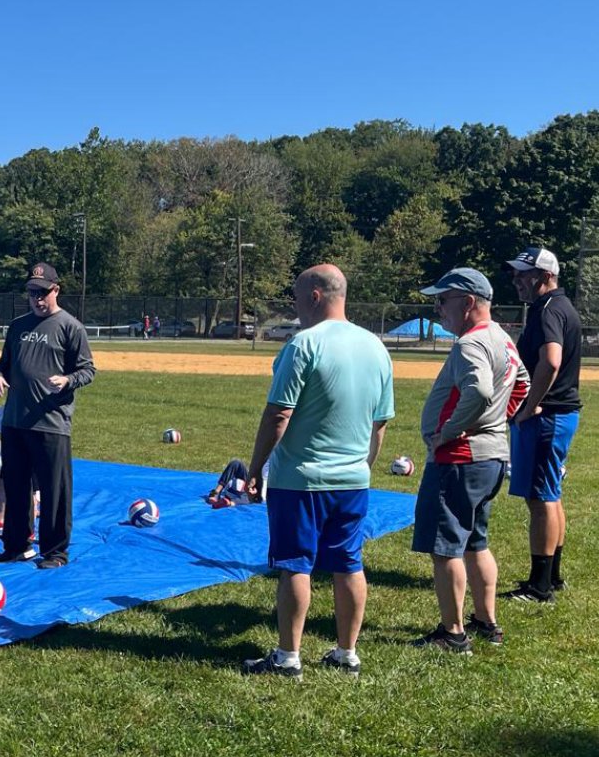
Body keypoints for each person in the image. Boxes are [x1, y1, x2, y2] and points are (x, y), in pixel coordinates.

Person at [241, 264, 394, 680]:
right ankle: (347, 652)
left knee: (295, 565)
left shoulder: (303, 344)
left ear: (314, 296)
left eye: (295, 297)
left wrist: (256, 468)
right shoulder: (376, 347)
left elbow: (279, 414)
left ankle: (288, 657)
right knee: (349, 563)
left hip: (301, 480)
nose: (294, 306)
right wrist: (363, 467)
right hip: (353, 481)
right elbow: (380, 423)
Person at [409, 269, 529, 653]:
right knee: (477, 542)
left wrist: (451, 430)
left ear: (468, 302)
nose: (438, 308)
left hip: (459, 460)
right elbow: (523, 384)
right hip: (490, 457)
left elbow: (478, 389)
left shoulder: (469, 343)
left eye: (443, 300)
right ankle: (486, 622)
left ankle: (453, 633)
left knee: (445, 548)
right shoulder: (503, 338)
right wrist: (496, 421)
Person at [0, 262, 96, 569]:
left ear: (56, 290)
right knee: (16, 486)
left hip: (51, 422)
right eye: (32, 292)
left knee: (54, 491)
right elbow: (4, 364)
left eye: (42, 292)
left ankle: (55, 552)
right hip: (14, 421)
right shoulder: (18, 326)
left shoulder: (71, 327)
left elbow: (88, 370)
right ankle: (16, 545)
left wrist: (67, 380)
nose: (37, 299)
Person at [503, 246, 582, 602]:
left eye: (524, 274)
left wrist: (529, 405)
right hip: (560, 414)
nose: (517, 280)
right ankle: (552, 576)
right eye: (516, 274)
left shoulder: (549, 309)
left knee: (540, 498)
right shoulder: (559, 306)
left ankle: (540, 586)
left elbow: (551, 360)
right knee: (551, 494)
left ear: (546, 276)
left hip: (547, 416)